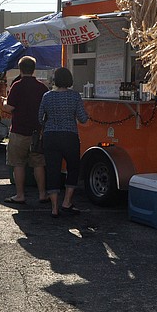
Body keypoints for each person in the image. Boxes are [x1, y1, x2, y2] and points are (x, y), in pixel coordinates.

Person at [38, 67, 88, 218]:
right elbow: (83, 119)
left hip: (50, 137)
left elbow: (40, 118)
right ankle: (66, 202)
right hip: (69, 136)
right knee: (73, 168)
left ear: (55, 80)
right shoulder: (75, 96)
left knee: (52, 170)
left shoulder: (47, 96)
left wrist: (50, 123)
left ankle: (54, 208)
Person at [3, 56, 49, 204]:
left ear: (20, 69)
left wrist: (4, 102)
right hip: (37, 132)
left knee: (18, 164)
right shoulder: (42, 87)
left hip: (19, 131)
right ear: (34, 69)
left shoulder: (17, 86)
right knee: (38, 163)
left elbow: (10, 108)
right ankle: (42, 194)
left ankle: (20, 195)